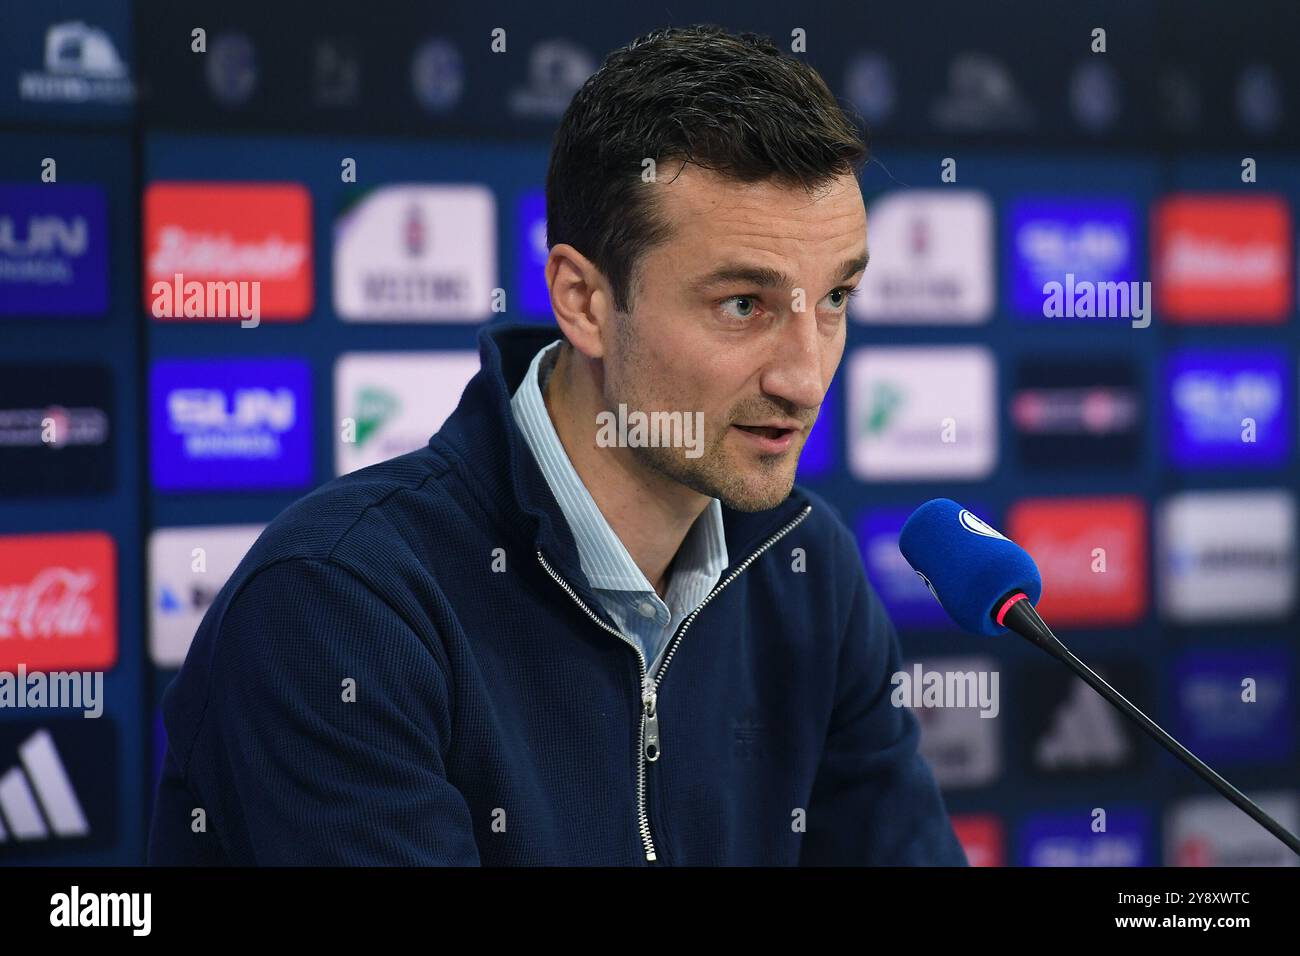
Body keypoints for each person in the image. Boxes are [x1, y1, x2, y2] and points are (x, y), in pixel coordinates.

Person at [148, 23, 968, 866]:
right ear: (582, 301)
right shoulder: (337, 605)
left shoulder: (806, 568)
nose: (805, 376)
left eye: (835, 298)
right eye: (742, 306)